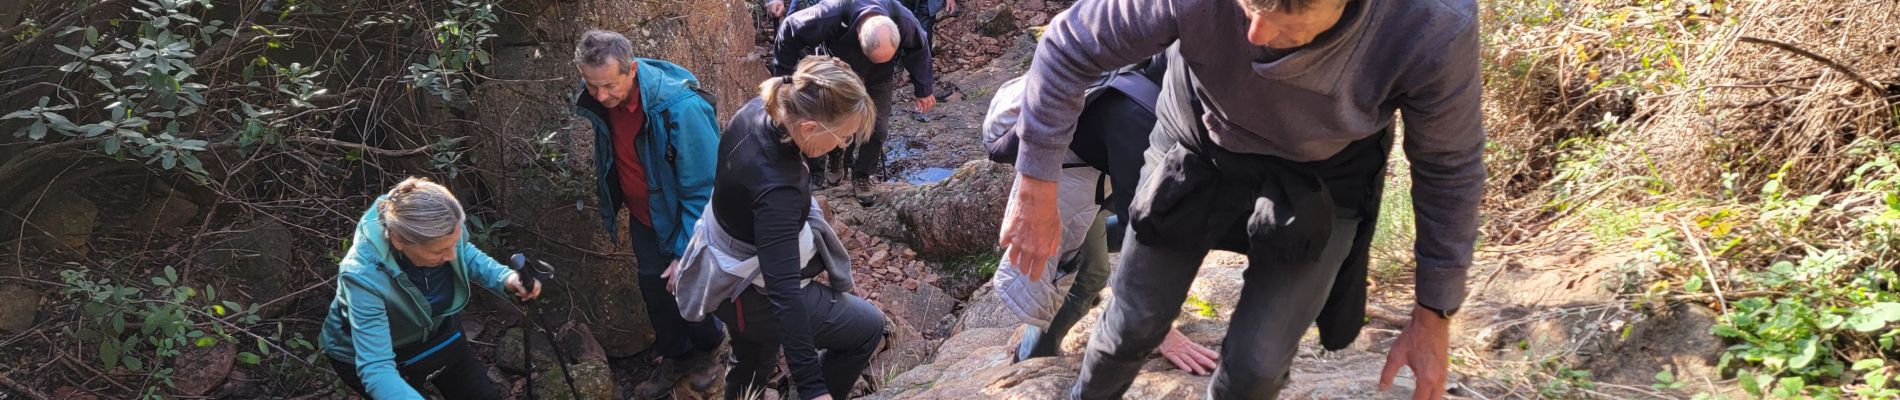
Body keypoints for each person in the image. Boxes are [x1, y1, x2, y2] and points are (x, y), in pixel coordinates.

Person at [996, 0, 1485, 398]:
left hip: (1323, 176)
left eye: (1284, 13)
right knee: (1131, 325)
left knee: (1257, 367)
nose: (1252, 34)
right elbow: (1067, 45)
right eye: (1248, 4)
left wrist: (1433, 313)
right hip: (1196, 144)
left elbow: (1449, 166)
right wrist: (1035, 187)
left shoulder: (1430, 25)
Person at [984, 56, 1221, 374]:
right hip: (1066, 168)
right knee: (1092, 274)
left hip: (1098, 160)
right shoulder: (1140, 122)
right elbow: (1142, 232)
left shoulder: (1172, 68)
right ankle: (1031, 361)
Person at [667, 56, 888, 400]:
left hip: (725, 275)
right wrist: (814, 388)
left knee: (753, 356)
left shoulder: (762, 107)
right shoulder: (778, 187)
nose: (843, 146)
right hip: (750, 296)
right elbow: (784, 293)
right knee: (867, 328)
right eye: (844, 138)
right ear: (810, 128)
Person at [571, 29, 727, 399]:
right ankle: (678, 356)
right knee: (655, 292)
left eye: (608, 85)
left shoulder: (681, 108)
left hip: (683, 218)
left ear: (632, 69)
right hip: (646, 217)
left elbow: (705, 189)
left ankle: (713, 349)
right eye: (592, 86)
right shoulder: (604, 97)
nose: (601, 96)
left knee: (689, 287)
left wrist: (684, 251)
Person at [319, 177, 543, 400]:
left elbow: (464, 252)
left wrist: (505, 277)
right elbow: (377, 369)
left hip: (439, 332)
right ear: (398, 240)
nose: (452, 256)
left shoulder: (438, 231)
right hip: (380, 355)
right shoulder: (362, 277)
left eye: (453, 244)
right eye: (439, 252)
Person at [772, 0, 936, 205]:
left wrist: (923, 89)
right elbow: (789, 28)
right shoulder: (831, 13)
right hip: (838, 72)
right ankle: (831, 159)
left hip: (879, 77)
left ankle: (862, 175)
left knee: (878, 129)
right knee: (829, 121)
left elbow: (919, 48)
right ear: (859, 35)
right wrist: (783, 77)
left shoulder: (902, 19)